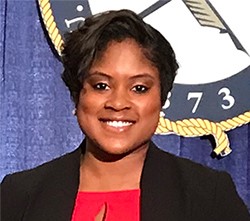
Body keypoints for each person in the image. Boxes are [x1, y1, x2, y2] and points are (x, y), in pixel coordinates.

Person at [1, 9, 249, 221]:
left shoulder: (208, 196)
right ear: (77, 95)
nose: (118, 103)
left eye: (139, 88)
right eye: (101, 86)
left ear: (161, 99)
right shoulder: (19, 196)